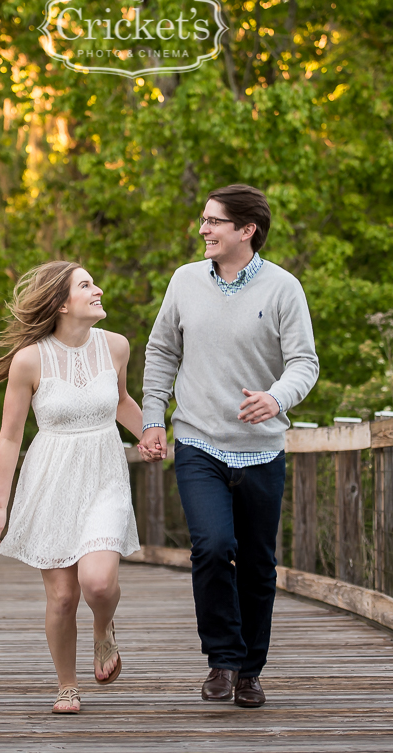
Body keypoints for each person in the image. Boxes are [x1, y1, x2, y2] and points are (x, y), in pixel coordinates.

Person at [139, 184, 319, 708]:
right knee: (214, 547)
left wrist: (275, 397)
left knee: (259, 563)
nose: (204, 229)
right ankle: (222, 657)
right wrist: (153, 419)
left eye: (215, 222)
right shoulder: (185, 281)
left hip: (262, 447)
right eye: (203, 220)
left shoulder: (284, 288)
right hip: (198, 441)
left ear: (248, 230)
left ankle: (249, 672)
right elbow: (161, 351)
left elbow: (304, 363)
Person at [0, 261, 143, 715]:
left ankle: (103, 629)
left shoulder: (117, 347)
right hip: (50, 480)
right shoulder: (29, 359)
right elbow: (10, 436)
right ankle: (67, 684)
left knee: (98, 582)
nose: (99, 290)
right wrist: (0, 507)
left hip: (104, 475)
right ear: (62, 302)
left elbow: (122, 402)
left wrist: (150, 431)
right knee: (64, 595)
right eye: (87, 285)